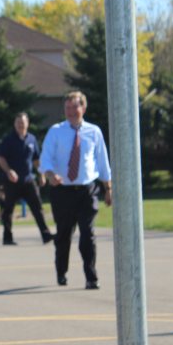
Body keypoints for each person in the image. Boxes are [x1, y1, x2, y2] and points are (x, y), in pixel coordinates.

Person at [40, 91, 112, 290]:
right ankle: (61, 271)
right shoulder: (56, 131)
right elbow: (46, 158)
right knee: (63, 236)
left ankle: (91, 277)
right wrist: (49, 174)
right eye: (68, 108)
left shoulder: (94, 132)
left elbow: (102, 161)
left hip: (87, 191)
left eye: (75, 107)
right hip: (62, 191)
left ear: (83, 108)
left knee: (87, 234)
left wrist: (108, 188)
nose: (71, 112)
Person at [0, 112, 55, 246]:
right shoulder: (8, 140)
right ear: (14, 124)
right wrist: (8, 170)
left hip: (28, 180)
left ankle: (46, 235)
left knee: (38, 207)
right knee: (8, 209)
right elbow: (1, 158)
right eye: (18, 122)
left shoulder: (32, 139)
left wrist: (42, 174)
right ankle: (7, 237)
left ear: (27, 123)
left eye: (22, 122)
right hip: (12, 182)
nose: (20, 125)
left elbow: (36, 159)